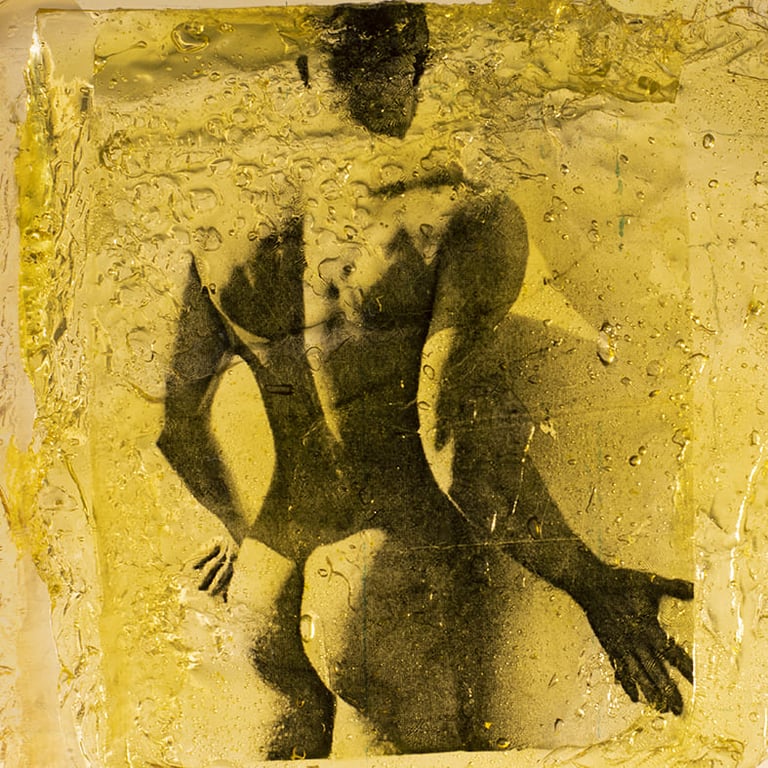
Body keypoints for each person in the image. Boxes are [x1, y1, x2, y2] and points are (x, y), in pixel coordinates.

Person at [157, 3, 693, 759]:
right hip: (385, 578)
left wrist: (236, 529)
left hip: (265, 578)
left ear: (306, 68)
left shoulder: (221, 230)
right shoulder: (462, 215)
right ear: (419, 63)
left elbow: (174, 428)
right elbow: (450, 447)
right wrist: (594, 584)